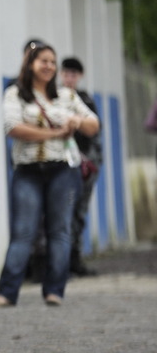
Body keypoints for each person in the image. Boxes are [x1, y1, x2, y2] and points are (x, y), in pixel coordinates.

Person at [0, 42, 99, 308]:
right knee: (23, 232)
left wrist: (77, 122)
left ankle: (54, 290)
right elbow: (13, 127)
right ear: (30, 64)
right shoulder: (15, 94)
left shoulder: (67, 96)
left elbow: (93, 125)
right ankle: (6, 292)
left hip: (63, 168)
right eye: (43, 61)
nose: (49, 66)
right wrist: (54, 133)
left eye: (53, 62)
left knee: (60, 231)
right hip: (27, 169)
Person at [60, 57, 103, 277]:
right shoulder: (56, 98)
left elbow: (95, 133)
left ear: (80, 77)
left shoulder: (85, 100)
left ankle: (74, 258)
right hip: (61, 164)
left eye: (73, 75)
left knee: (78, 213)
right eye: (66, 74)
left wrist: (92, 165)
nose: (69, 79)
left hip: (83, 166)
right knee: (60, 214)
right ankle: (60, 262)